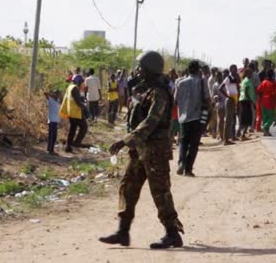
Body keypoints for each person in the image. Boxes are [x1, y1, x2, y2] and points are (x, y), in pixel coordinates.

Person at [99, 50, 184, 249]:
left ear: (149, 70)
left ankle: (172, 234)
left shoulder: (160, 93)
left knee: (160, 192)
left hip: (155, 151)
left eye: (140, 67)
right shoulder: (143, 90)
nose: (137, 71)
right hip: (139, 150)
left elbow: (151, 121)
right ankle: (123, 231)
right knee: (128, 187)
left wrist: (125, 140)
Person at [174, 60, 210, 176]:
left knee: (183, 141)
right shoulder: (201, 82)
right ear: (198, 70)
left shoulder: (180, 82)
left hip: (183, 118)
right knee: (194, 144)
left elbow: (175, 100)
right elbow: (207, 98)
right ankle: (188, 170)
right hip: (197, 117)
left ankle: (181, 163)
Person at [59, 77, 89, 153]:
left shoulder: (70, 86)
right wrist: (85, 108)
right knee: (84, 127)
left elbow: (75, 98)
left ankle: (68, 147)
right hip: (75, 112)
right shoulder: (75, 88)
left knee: (72, 129)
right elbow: (78, 102)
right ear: (78, 82)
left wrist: (81, 98)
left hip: (71, 111)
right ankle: (76, 144)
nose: (82, 84)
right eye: (82, 83)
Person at [257, 69, 276, 136]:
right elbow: (274, 95)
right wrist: (275, 103)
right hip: (270, 102)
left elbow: (258, 90)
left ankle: (266, 132)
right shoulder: (272, 84)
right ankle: (265, 127)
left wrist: (260, 99)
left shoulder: (263, 82)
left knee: (265, 117)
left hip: (263, 101)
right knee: (271, 117)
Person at [238, 68, 255, 140]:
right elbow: (246, 92)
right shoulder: (247, 81)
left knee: (245, 118)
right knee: (247, 118)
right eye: (251, 73)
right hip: (246, 100)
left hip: (243, 100)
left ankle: (242, 134)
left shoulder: (243, 81)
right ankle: (242, 135)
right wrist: (251, 101)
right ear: (248, 73)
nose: (252, 75)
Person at [221, 68, 237, 145]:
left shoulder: (234, 78)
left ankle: (228, 138)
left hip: (234, 100)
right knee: (227, 120)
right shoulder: (228, 78)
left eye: (236, 69)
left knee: (230, 120)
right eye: (234, 69)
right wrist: (227, 96)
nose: (235, 70)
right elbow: (220, 88)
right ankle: (226, 140)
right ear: (231, 70)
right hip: (230, 100)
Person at [44, 90, 61, 155]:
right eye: (56, 94)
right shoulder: (50, 100)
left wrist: (56, 96)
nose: (58, 95)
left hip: (56, 120)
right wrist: (52, 95)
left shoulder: (58, 100)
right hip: (51, 120)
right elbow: (45, 93)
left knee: (54, 136)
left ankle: (51, 149)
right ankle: (49, 150)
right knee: (51, 136)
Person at [256, 60, 271, 132]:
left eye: (268, 64)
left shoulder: (269, 73)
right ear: (262, 65)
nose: (267, 66)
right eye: (266, 64)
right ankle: (259, 127)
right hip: (261, 95)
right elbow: (259, 86)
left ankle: (263, 127)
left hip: (268, 96)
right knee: (261, 113)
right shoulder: (260, 74)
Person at [212, 71, 227, 142]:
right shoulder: (215, 85)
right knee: (220, 120)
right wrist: (216, 97)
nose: (219, 77)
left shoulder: (225, 84)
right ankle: (220, 136)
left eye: (220, 75)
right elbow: (213, 95)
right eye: (217, 76)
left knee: (225, 120)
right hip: (219, 104)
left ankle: (225, 135)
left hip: (226, 103)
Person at [248, 62, 261, 133]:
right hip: (253, 96)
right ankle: (251, 127)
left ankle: (250, 126)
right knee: (253, 112)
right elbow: (258, 86)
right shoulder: (255, 75)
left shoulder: (245, 74)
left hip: (247, 96)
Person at [207, 67, 219, 138]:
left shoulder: (212, 78)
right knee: (214, 117)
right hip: (213, 99)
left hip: (212, 99)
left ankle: (213, 131)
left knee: (213, 117)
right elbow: (212, 91)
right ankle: (213, 132)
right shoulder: (212, 79)